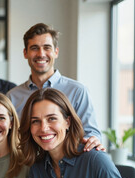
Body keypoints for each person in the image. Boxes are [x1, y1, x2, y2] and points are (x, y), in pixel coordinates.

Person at [6, 23, 102, 152]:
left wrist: (93, 141)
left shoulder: (77, 91)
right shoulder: (12, 97)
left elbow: (90, 134)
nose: (41, 54)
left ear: (56, 52)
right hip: (27, 167)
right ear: (25, 53)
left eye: (47, 48)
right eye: (34, 48)